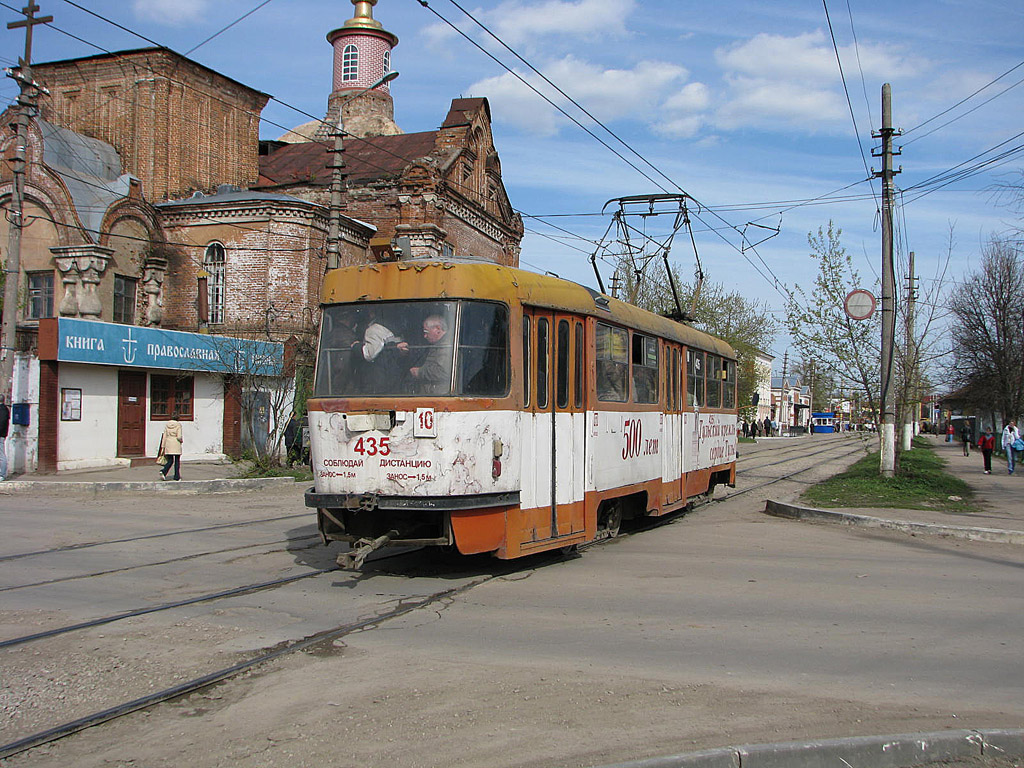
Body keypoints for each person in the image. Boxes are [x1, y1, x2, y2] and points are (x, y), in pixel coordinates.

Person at [410, 315, 453, 394]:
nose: (425, 336)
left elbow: (444, 371)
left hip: (440, 396)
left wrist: (419, 372)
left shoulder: (446, 346)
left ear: (438, 329)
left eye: (426, 332)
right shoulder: (438, 345)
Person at [0, 394, 9, 481]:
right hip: (1, 434)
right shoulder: (4, 409)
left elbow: (1, 423)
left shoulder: (2, 410)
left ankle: (2, 474)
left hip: (0, 435)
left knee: (1, 455)